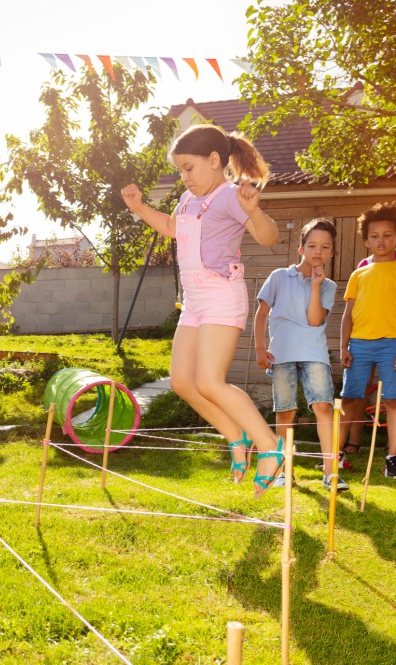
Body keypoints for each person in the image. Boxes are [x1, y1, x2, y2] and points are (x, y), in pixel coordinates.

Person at [121, 124, 284, 497]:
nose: (185, 177)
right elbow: (170, 228)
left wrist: (254, 212)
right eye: (180, 170)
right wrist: (139, 207)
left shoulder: (230, 197)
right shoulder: (187, 199)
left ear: (214, 161)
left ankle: (271, 446)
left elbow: (269, 237)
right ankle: (236, 437)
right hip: (193, 301)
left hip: (221, 296)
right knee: (182, 382)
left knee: (210, 381)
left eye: (189, 168)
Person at [253, 218, 347, 491]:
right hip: (281, 353)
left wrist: (316, 286)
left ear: (331, 252)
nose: (318, 251)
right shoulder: (279, 277)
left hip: (314, 352)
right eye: (313, 245)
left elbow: (315, 320)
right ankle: (284, 471)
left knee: (323, 407)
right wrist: (260, 347)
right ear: (301, 248)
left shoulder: (328, 286)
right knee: (285, 412)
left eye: (325, 247)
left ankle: (330, 473)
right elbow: (261, 314)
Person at [339, 203, 396, 479]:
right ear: (366, 240)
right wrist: (343, 346)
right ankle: (336, 454)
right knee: (350, 399)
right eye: (374, 236)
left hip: (392, 344)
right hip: (359, 345)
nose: (381, 241)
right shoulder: (358, 274)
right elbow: (347, 315)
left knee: (394, 401)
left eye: (387, 235)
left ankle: (393, 458)